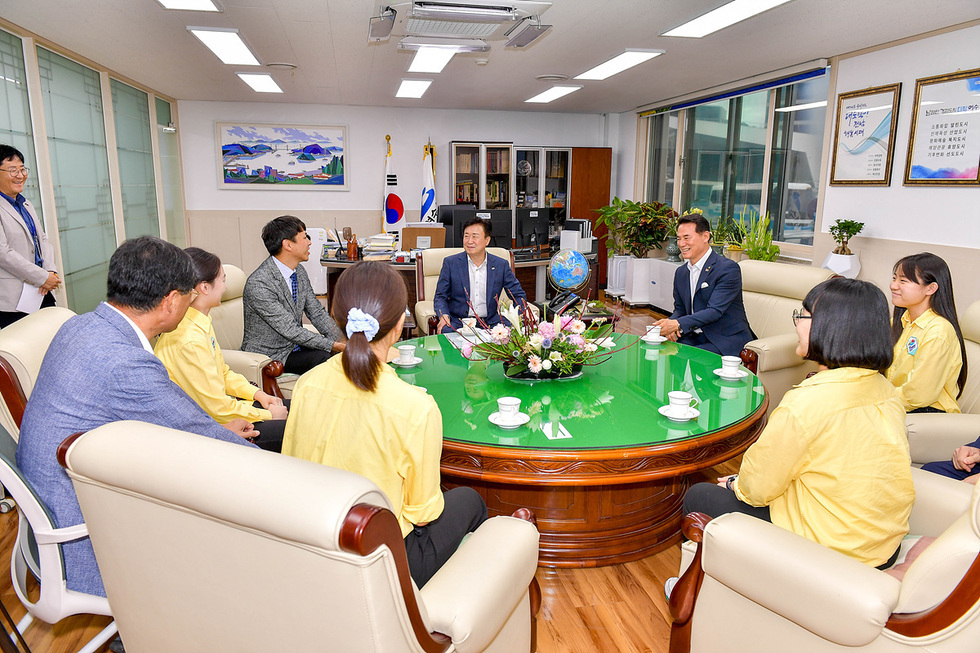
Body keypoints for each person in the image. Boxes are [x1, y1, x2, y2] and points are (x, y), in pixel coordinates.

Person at [17, 236, 258, 601]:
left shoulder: (82, 326)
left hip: (56, 508)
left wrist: (214, 428)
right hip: (83, 538)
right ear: (171, 302)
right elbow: (208, 440)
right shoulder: (125, 363)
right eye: (189, 297)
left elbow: (170, 420)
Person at [678, 278, 914, 569]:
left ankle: (693, 588)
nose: (797, 324)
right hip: (881, 544)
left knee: (699, 495)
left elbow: (758, 488)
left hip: (829, 549)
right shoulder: (885, 389)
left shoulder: (807, 403)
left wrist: (737, 484)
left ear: (830, 327)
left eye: (802, 315)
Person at [283, 261, 487, 587]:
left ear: (338, 320)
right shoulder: (415, 408)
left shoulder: (307, 384)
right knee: (470, 500)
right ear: (400, 325)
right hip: (384, 561)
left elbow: (293, 465)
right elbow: (423, 513)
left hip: (317, 538)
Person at [155, 247, 289, 452]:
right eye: (223, 280)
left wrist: (258, 395)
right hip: (208, 429)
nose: (226, 287)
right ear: (204, 288)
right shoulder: (188, 339)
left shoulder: (200, 321)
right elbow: (216, 408)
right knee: (297, 427)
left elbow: (222, 373)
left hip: (222, 412)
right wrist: (269, 415)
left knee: (301, 407)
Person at [242, 215, 344, 374]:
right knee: (326, 358)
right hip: (271, 355)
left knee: (336, 355)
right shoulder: (260, 283)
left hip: (293, 346)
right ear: (288, 245)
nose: (310, 242)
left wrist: (342, 338)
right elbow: (290, 329)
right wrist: (334, 345)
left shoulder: (299, 272)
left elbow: (316, 312)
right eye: (305, 237)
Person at [654, 212, 754, 357]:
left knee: (689, 356)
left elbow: (714, 311)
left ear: (705, 237)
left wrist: (677, 324)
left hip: (724, 339)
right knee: (659, 349)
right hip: (693, 335)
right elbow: (680, 310)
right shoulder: (681, 272)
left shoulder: (727, 269)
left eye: (687, 238)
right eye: (679, 239)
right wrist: (670, 325)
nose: (681, 244)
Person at [885, 252, 966, 413]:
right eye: (894, 278)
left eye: (903, 281)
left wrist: (875, 399)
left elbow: (918, 395)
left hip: (927, 412)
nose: (893, 285)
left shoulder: (938, 332)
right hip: (896, 402)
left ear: (931, 288)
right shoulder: (900, 321)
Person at [0, 144, 60, 328]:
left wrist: (50, 272)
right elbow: (3, 254)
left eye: (22, 169)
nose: (21, 175)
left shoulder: (25, 204)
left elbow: (42, 239)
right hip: (14, 302)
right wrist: (42, 277)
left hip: (41, 291)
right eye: (13, 170)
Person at [433, 217, 526, 334]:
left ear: (487, 240)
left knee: (512, 335)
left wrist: (518, 318)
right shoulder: (451, 263)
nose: (469, 241)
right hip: (459, 322)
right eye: (466, 236)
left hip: (491, 323)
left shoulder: (500, 265)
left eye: (474, 236)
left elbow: (518, 295)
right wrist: (444, 315)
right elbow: (440, 296)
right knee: (446, 330)